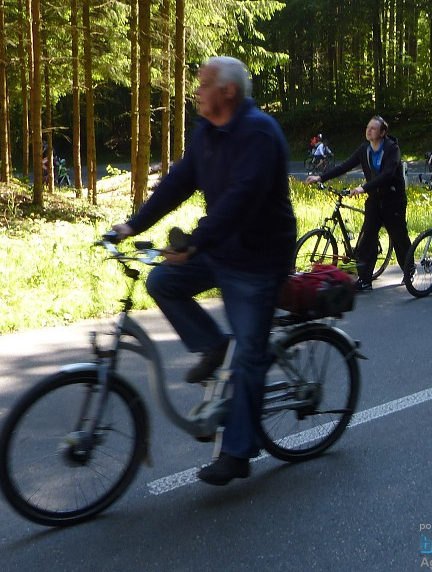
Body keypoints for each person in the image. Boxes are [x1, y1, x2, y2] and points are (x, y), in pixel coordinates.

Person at [110, 56, 296, 486]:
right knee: (163, 280)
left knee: (249, 354)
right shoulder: (207, 131)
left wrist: (196, 242)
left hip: (259, 257)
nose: (196, 91)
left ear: (227, 91)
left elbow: (241, 198)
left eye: (203, 84)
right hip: (223, 246)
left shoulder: (259, 133)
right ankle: (213, 347)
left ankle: (237, 451)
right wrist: (133, 225)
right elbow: (178, 182)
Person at [305, 116, 414, 291]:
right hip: (374, 201)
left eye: (373, 128)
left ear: (382, 133)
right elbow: (345, 166)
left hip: (393, 201)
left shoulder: (392, 149)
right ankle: (365, 280)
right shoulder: (365, 149)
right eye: (368, 127)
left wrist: (363, 188)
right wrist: (320, 177)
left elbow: (387, 174)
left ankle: (409, 269)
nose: (368, 130)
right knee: (367, 239)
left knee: (399, 237)